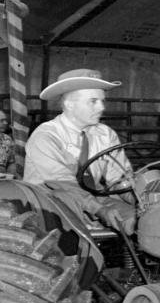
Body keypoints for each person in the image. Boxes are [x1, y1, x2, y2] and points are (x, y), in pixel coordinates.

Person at [24, 68, 138, 236]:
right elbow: (62, 184)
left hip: (92, 198)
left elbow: (119, 178)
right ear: (69, 104)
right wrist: (99, 210)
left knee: (138, 218)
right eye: (93, 101)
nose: (101, 107)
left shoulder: (105, 134)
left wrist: (138, 199)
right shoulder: (46, 136)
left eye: (102, 101)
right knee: (65, 201)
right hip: (48, 204)